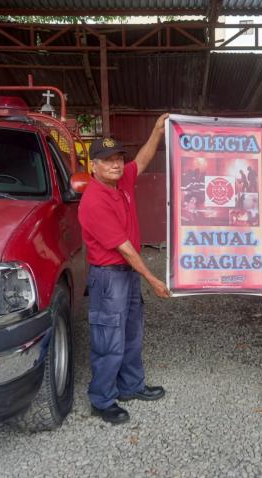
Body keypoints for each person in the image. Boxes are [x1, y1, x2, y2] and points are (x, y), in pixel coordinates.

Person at [79, 114, 171, 425]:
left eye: (118, 158)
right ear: (93, 166)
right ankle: (102, 399)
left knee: (131, 332)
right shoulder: (94, 200)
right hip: (109, 277)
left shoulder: (122, 182)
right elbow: (125, 248)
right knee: (109, 340)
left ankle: (131, 386)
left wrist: (157, 130)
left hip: (126, 275)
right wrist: (153, 278)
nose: (116, 165)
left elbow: (142, 160)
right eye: (107, 161)